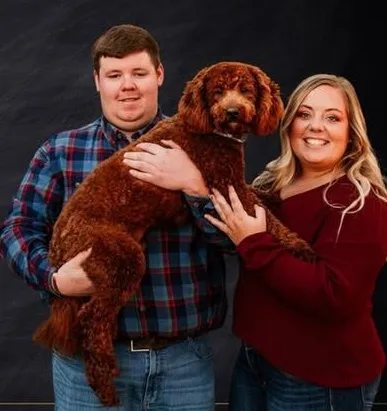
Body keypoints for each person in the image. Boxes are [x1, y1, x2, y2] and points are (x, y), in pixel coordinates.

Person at [127, 73, 387, 411]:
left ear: (352, 133)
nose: (316, 126)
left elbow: (334, 297)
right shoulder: (273, 185)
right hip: (257, 361)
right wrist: (193, 184)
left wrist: (254, 241)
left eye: (332, 118)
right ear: (289, 125)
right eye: (304, 114)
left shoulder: (361, 203)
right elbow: (227, 221)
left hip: (321, 377)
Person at [0, 24, 230, 411]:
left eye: (139, 73)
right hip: (85, 362)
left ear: (159, 74)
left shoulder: (200, 148)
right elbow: (17, 230)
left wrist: (194, 187)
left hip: (183, 363)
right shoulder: (61, 152)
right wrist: (54, 279)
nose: (128, 86)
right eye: (114, 75)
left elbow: (235, 241)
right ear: (97, 81)